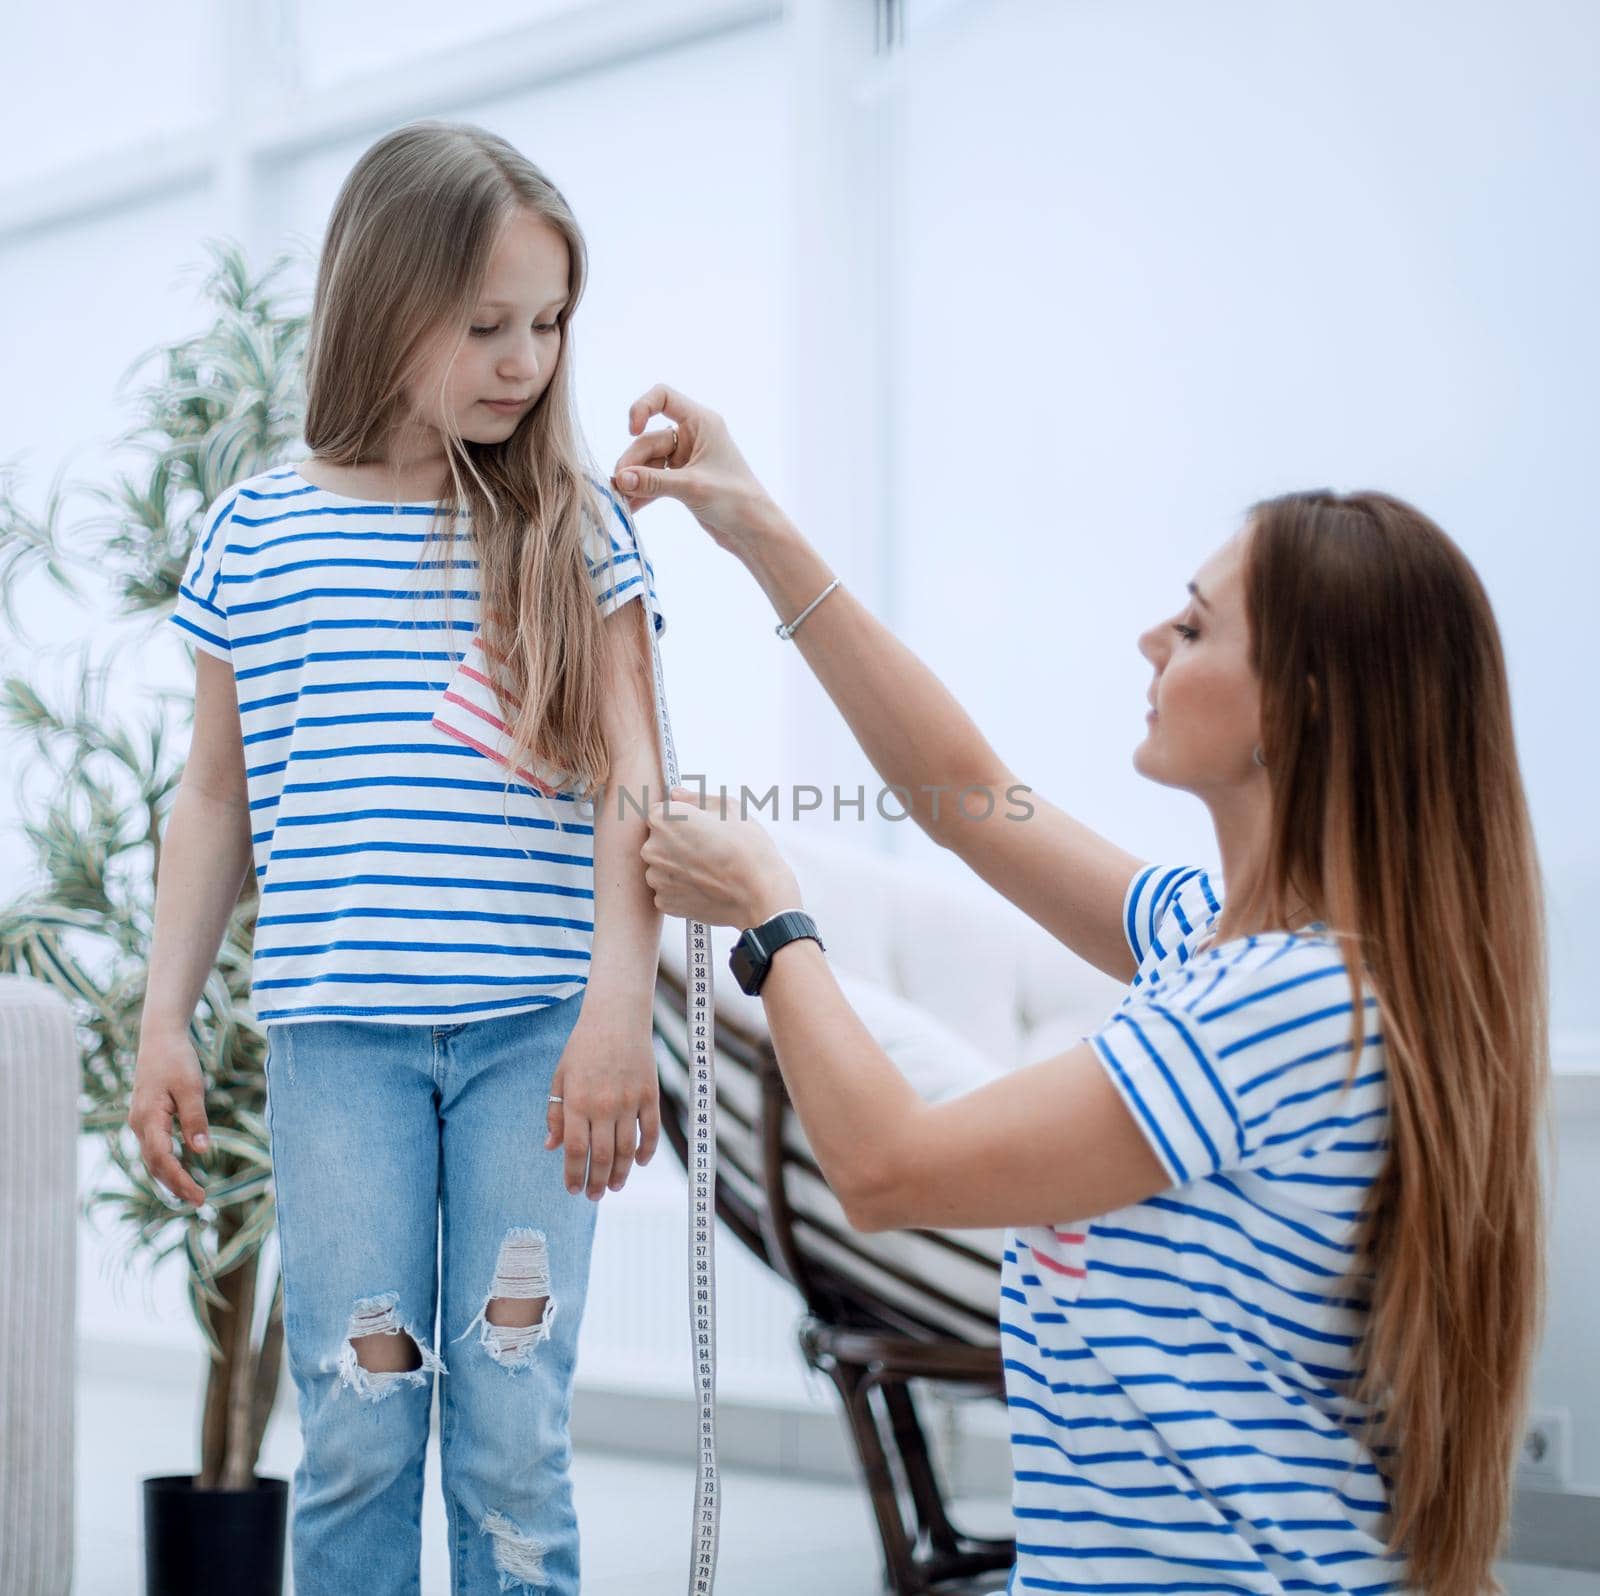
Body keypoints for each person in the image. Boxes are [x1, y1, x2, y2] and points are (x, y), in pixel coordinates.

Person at [617, 386, 1548, 1595]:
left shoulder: (1274, 1006)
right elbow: (963, 795)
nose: (1151, 641)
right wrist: (752, 525)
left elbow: (887, 1167)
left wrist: (769, 915)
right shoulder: (1214, 946)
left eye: (1197, 628)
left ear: (1301, 706)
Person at [128, 121, 669, 1596]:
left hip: (539, 1043)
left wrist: (622, 1010)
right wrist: (163, 1017)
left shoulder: (579, 529)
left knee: (510, 1438)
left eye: (549, 325)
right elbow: (216, 801)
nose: (525, 360)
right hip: (337, 1047)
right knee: (362, 1435)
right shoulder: (258, 531)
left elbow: (641, 789)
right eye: (487, 324)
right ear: (385, 301)